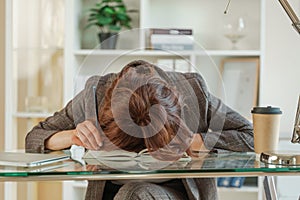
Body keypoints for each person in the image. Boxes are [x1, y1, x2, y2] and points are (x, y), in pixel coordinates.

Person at [26, 60, 254, 200]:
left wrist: (196, 141)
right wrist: (71, 136)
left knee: (134, 193)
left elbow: (251, 136)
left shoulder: (193, 92)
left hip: (178, 193)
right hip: (110, 194)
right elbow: (34, 138)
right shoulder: (94, 96)